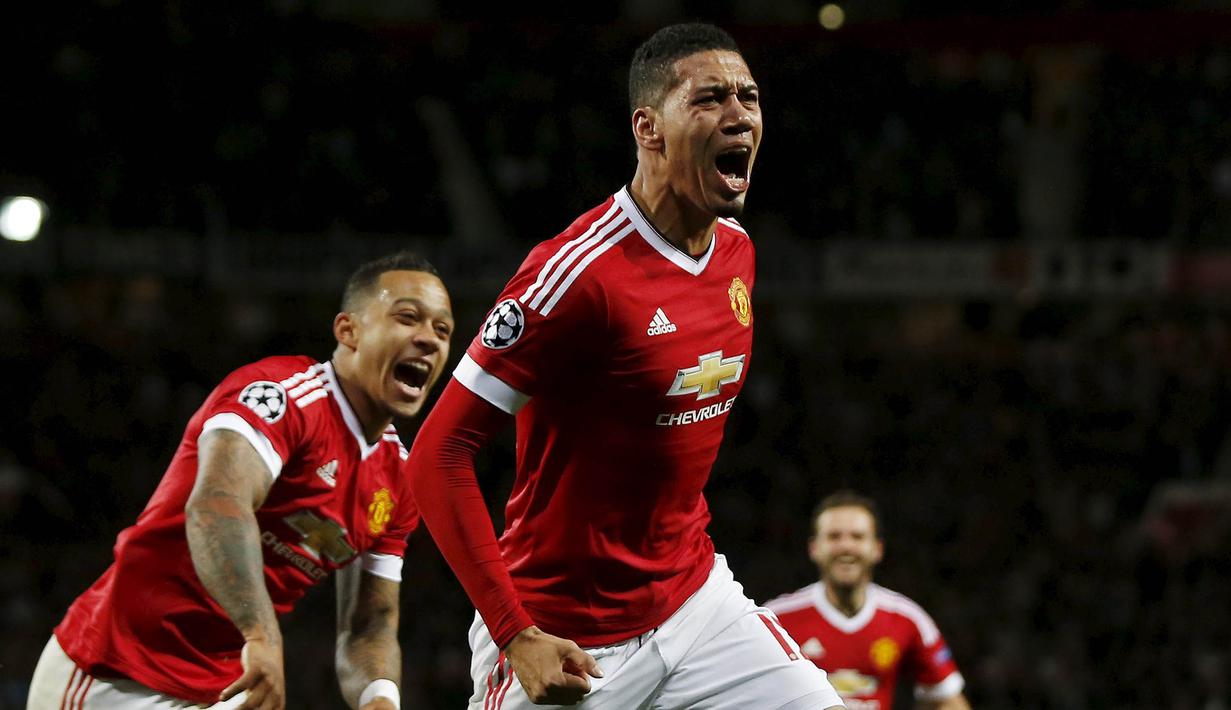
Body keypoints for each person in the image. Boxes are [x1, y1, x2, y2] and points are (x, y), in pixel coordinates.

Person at [405, 22, 843, 710]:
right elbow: (436, 455)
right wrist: (516, 634)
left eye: (749, 98)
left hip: (697, 607)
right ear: (649, 127)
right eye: (709, 99)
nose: (739, 116)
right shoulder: (574, 275)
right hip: (563, 637)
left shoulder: (735, 253)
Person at [27, 251, 454, 710]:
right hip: (118, 674)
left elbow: (370, 624)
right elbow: (217, 504)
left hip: (225, 689)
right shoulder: (282, 396)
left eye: (443, 329)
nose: (428, 339)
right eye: (408, 318)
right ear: (348, 331)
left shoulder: (397, 480)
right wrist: (263, 635)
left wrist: (381, 701)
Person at [765, 491, 969, 710]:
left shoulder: (907, 619)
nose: (846, 547)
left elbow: (946, 698)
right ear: (814, 548)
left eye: (857, 537)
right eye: (834, 536)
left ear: (877, 549)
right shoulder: (776, 619)